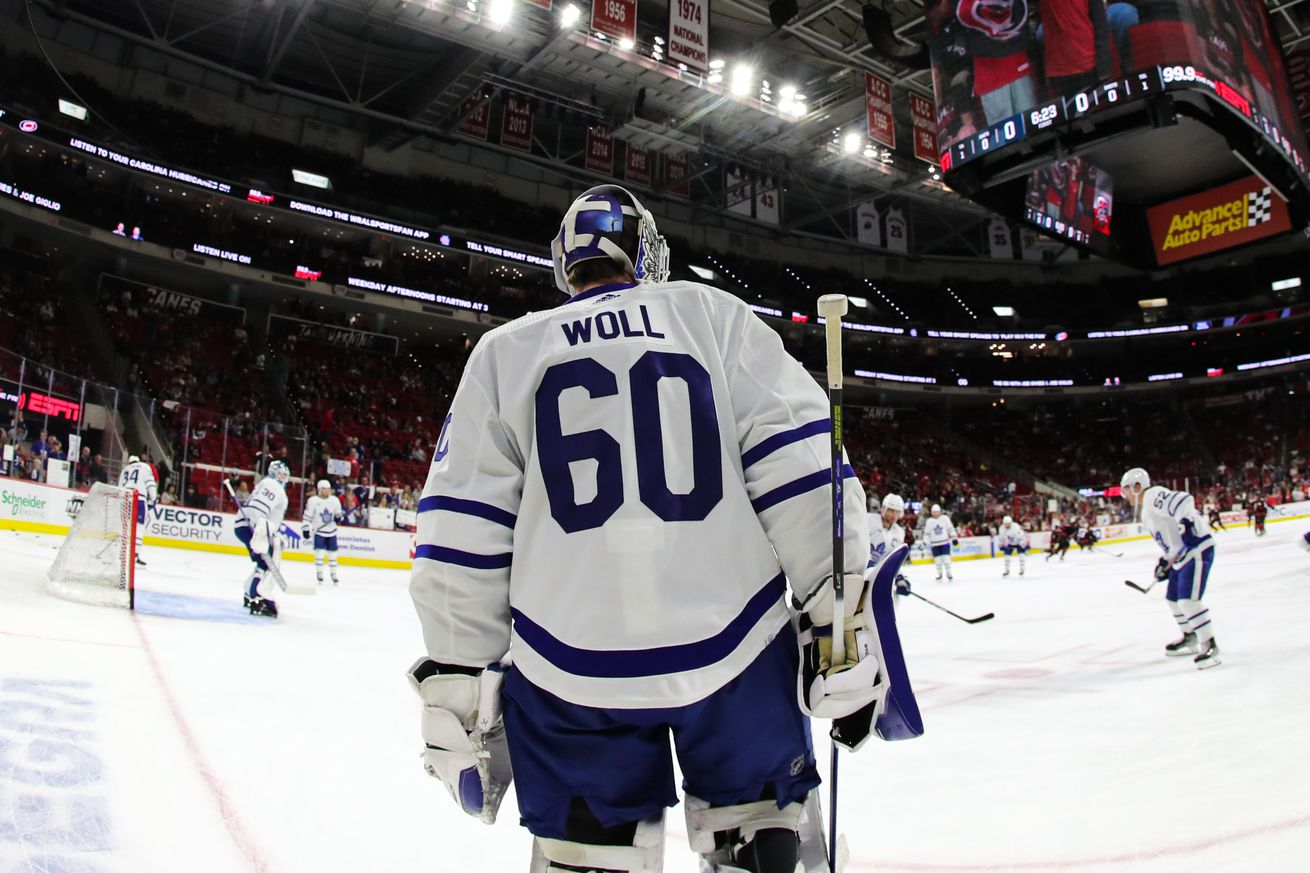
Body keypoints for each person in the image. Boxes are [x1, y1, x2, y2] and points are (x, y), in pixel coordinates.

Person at [407, 184, 917, 873]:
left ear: (566, 263)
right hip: (737, 652)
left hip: (568, 669)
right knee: (766, 836)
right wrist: (838, 611)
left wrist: (461, 683)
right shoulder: (711, 314)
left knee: (584, 853)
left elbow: (460, 534)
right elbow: (800, 470)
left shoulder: (504, 352)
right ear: (645, 248)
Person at [1120, 468, 1220, 669]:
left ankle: (1210, 646)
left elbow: (1184, 501)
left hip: (1197, 548)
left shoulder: (1152, 495)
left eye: (1126, 490)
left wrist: (1187, 523)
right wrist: (1166, 561)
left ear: (1137, 487)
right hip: (1183, 555)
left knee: (1188, 602)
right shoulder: (1146, 512)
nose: (1125, 496)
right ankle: (1189, 636)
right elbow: (1173, 542)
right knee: (1173, 600)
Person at [235, 460, 290, 618]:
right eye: (281, 474)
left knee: (263, 561)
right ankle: (258, 597)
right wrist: (260, 529)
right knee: (268, 562)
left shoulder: (270, 485)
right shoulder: (273, 485)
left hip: (254, 526)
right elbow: (257, 509)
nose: (283, 478)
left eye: (285, 475)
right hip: (254, 527)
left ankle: (249, 592)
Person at [118, 454, 158, 567]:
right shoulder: (144, 467)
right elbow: (150, 483)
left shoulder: (125, 469)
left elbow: (119, 486)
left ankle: (122, 554)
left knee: (125, 528)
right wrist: (154, 497)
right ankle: (134, 556)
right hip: (138, 499)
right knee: (139, 528)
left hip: (125, 499)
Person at [302, 479, 344, 585]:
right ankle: (319, 573)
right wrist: (305, 528)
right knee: (319, 553)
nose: (327, 491)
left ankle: (333, 574)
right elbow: (307, 516)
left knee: (333, 555)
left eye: (328, 489)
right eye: (324, 489)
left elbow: (339, 515)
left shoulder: (335, 500)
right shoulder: (313, 501)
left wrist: (339, 518)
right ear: (320, 489)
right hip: (319, 531)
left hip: (332, 531)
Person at [870, 493, 912, 598]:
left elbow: (893, 559)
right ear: (883, 509)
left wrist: (899, 578)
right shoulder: (867, 521)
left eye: (897, 512)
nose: (894, 515)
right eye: (891, 510)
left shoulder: (899, 532)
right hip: (858, 574)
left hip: (878, 577)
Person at [923, 503, 958, 581]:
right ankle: (939, 573)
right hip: (934, 544)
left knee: (946, 559)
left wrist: (954, 538)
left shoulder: (945, 518)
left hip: (944, 543)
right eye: (934, 512)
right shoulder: (929, 521)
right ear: (931, 512)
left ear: (940, 512)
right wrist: (925, 542)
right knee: (937, 560)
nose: (935, 513)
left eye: (937, 512)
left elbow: (950, 528)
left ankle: (949, 572)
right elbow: (927, 533)